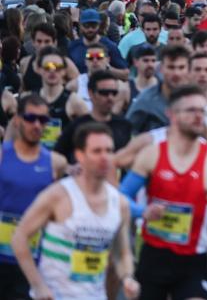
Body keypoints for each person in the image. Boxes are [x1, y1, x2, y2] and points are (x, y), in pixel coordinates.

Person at [119, 84, 207, 300]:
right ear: (172, 114)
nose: (198, 116)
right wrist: (141, 211)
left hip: (193, 260)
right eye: (191, 110)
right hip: (154, 255)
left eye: (202, 111)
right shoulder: (152, 155)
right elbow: (122, 194)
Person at [11, 122, 138, 300]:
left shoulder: (120, 204)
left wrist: (127, 278)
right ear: (80, 155)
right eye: (97, 151)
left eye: (109, 151)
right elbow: (20, 237)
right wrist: (38, 285)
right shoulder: (57, 195)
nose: (104, 157)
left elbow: (122, 252)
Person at [0, 94, 67, 297]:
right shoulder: (2, 155)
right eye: (30, 118)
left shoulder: (56, 162)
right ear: (18, 120)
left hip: (34, 259)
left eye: (43, 120)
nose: (37, 125)